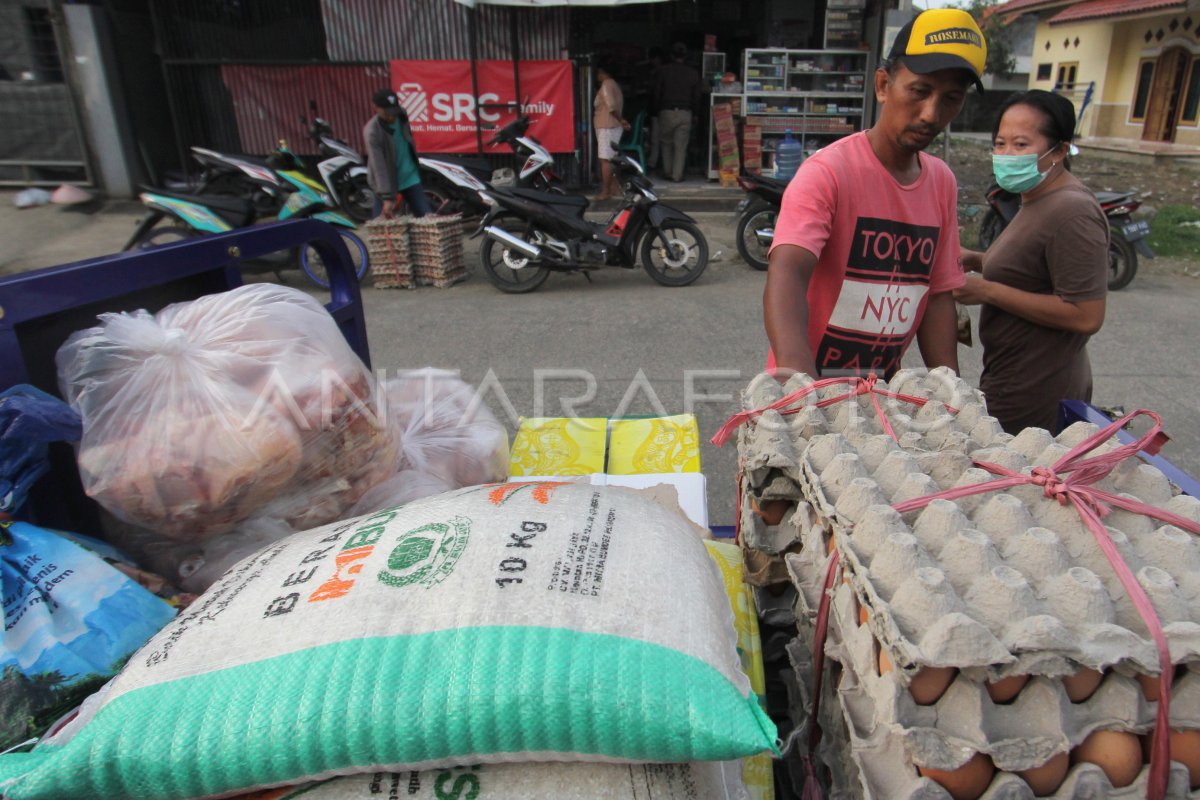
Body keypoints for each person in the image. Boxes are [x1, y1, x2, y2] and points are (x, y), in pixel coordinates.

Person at [763, 8, 986, 380]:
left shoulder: (942, 182)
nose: (931, 114)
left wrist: (952, 394)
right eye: (919, 91)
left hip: (877, 392)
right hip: (808, 386)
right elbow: (787, 272)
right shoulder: (829, 172)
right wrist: (801, 388)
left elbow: (936, 296)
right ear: (883, 85)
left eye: (951, 98)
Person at [955, 91, 1108, 434]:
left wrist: (988, 291)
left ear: (1060, 150)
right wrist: (979, 259)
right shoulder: (1036, 198)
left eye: (1021, 144)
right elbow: (1036, 270)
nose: (1007, 155)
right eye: (1000, 143)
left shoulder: (1072, 211)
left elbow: (1086, 314)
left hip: (1036, 388)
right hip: (1011, 374)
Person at [363, 87, 431, 218]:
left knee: (427, 218)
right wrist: (387, 197)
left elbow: (408, 139)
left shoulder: (402, 115)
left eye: (393, 112)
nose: (391, 116)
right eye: (387, 113)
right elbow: (379, 166)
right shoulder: (372, 132)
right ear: (375, 108)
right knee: (381, 225)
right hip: (386, 182)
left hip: (410, 177)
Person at [653, 42, 702, 182]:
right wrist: (696, 113)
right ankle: (677, 175)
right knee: (681, 146)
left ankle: (667, 172)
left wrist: (657, 110)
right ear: (685, 56)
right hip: (685, 112)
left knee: (666, 143)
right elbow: (697, 96)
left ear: (671, 55)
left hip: (666, 111)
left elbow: (656, 92)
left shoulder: (663, 71)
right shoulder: (693, 73)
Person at [593, 65, 631, 201]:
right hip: (610, 126)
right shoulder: (614, 85)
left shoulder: (607, 84)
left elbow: (611, 106)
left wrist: (621, 120)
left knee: (605, 160)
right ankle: (614, 188)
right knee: (609, 158)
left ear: (603, 72)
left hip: (607, 125)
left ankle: (606, 191)